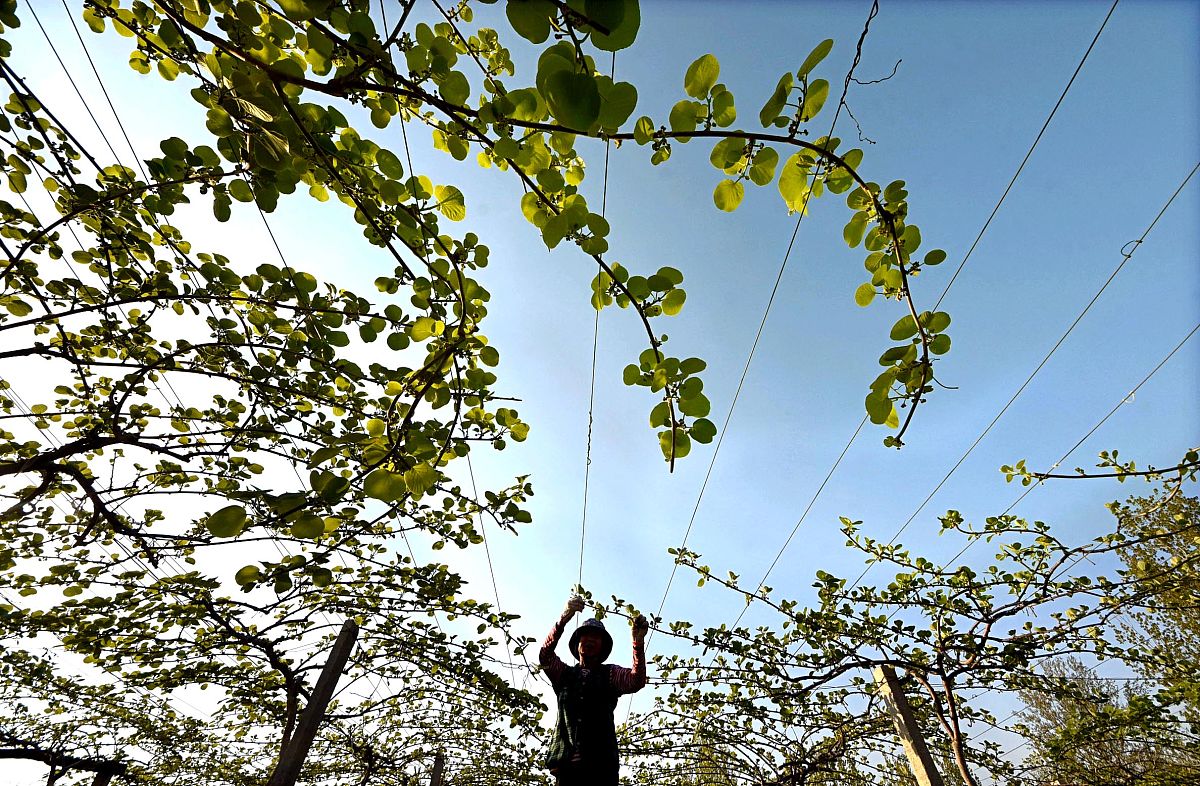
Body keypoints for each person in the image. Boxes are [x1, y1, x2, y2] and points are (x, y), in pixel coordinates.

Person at [540, 595, 648, 785]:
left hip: (601, 770)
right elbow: (545, 656)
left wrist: (637, 643)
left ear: (602, 647)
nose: (590, 640)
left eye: (596, 637)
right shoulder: (563, 674)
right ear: (578, 643)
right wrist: (564, 617)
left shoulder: (611, 674)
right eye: (586, 635)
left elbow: (636, 680)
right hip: (566, 771)